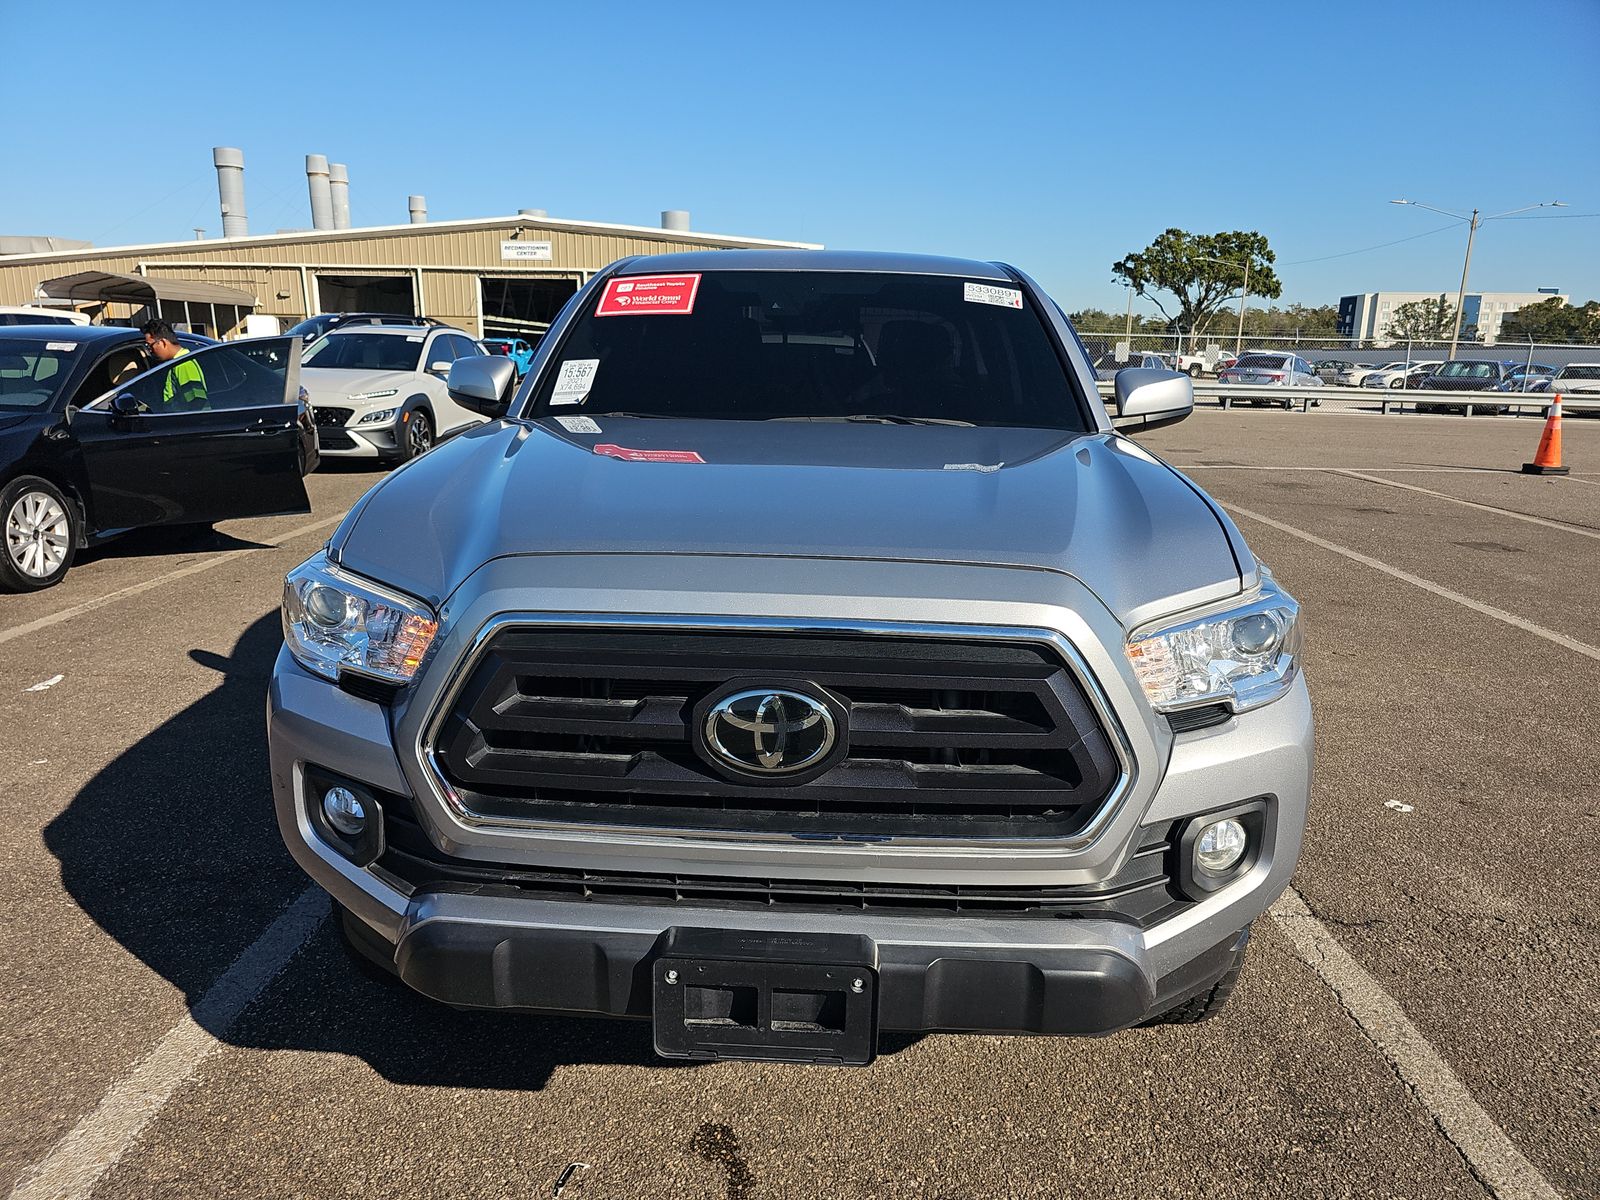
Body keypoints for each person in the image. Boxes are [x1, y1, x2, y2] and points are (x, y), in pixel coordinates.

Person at [141, 319, 207, 410]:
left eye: (149, 346)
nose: (150, 350)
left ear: (162, 342)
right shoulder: (175, 364)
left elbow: (197, 402)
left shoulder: (184, 364)